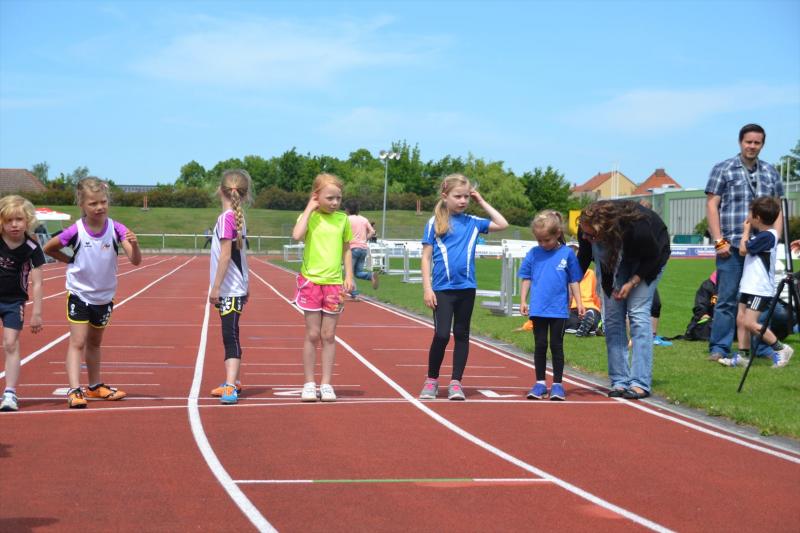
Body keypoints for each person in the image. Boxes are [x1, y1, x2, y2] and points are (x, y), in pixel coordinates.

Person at [43, 177, 142, 408]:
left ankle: (95, 386)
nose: (99, 207)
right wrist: (69, 260)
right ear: (82, 204)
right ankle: (74, 389)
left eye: (103, 202)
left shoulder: (117, 228)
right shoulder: (75, 230)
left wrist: (135, 244)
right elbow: (48, 247)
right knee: (78, 341)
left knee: (95, 343)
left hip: (104, 296)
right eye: (93, 203)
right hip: (79, 293)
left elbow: (135, 261)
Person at [419, 174, 508, 400]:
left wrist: (481, 201)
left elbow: (502, 224)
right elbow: (426, 257)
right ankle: (431, 380)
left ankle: (456, 382)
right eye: (458, 196)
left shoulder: (473, 222)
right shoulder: (434, 222)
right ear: (445, 196)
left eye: (466, 197)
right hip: (442, 288)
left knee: (461, 334)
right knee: (441, 335)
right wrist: (427, 288)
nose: (462, 201)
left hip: (466, 288)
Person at [706, 124, 784, 364]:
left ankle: (760, 348)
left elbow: (778, 209)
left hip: (760, 248)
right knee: (726, 298)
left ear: (762, 145)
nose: (752, 146)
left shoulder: (770, 172)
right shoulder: (723, 168)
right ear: (740, 142)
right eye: (748, 142)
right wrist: (718, 241)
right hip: (731, 245)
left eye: (757, 142)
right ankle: (720, 347)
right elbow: (712, 205)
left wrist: (775, 238)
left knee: (758, 300)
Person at [578, 200, 670, 399]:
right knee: (612, 317)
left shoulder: (638, 228)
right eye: (584, 233)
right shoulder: (587, 227)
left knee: (638, 312)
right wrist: (566, 287)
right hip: (615, 251)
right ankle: (620, 380)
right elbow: (583, 259)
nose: (585, 238)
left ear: (604, 229)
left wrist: (633, 282)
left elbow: (653, 257)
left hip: (650, 256)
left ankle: (640, 383)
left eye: (590, 236)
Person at [292, 173, 354, 402]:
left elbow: (347, 249)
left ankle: (326, 384)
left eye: (338, 198)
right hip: (311, 282)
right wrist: (310, 208)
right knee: (312, 334)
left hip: (334, 284)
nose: (335, 202)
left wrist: (349, 275)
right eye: (330, 198)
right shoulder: (309, 217)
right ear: (316, 196)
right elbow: (297, 235)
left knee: (328, 335)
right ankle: (309, 383)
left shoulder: (342, 220)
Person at [720, 197, 793, 368]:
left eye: (750, 213)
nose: (747, 216)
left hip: (759, 289)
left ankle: (781, 348)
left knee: (750, 323)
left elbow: (743, 250)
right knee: (741, 319)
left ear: (757, 218)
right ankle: (743, 355)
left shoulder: (767, 236)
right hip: (749, 286)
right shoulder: (762, 235)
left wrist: (745, 231)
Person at [519, 211, 583, 401]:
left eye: (546, 240)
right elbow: (526, 277)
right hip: (538, 308)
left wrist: (579, 303)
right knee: (540, 345)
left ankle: (557, 384)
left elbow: (574, 280)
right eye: (539, 240)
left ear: (557, 234)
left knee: (556, 345)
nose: (543, 244)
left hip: (559, 309)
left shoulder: (567, 254)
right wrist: (523, 300)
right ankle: (540, 383)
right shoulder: (534, 253)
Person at [207, 170, 252, 404]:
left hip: (230, 289)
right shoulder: (236, 216)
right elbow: (240, 256)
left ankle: (231, 385)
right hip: (236, 287)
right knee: (231, 333)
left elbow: (226, 255)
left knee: (230, 336)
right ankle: (233, 380)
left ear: (220, 190)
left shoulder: (227, 218)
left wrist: (215, 287)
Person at [0, 196, 45, 411]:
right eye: (9, 220)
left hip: (14, 301)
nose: (14, 225)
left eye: (19, 219)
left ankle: (10, 393)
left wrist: (37, 313)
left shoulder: (31, 247)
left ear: (28, 220)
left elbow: (37, 283)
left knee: (10, 343)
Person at [344, 200, 378, 301]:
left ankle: (355, 294)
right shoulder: (364, 219)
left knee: (349, 273)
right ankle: (371, 276)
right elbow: (372, 231)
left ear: (347, 209)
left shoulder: (347, 219)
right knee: (358, 272)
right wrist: (365, 239)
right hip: (363, 248)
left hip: (352, 248)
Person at [565, 244, 601, 337]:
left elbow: (596, 295)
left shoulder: (590, 274)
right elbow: (596, 296)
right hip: (579, 307)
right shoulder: (590, 273)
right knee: (590, 318)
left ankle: (583, 325)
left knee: (574, 321)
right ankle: (589, 327)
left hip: (582, 307)